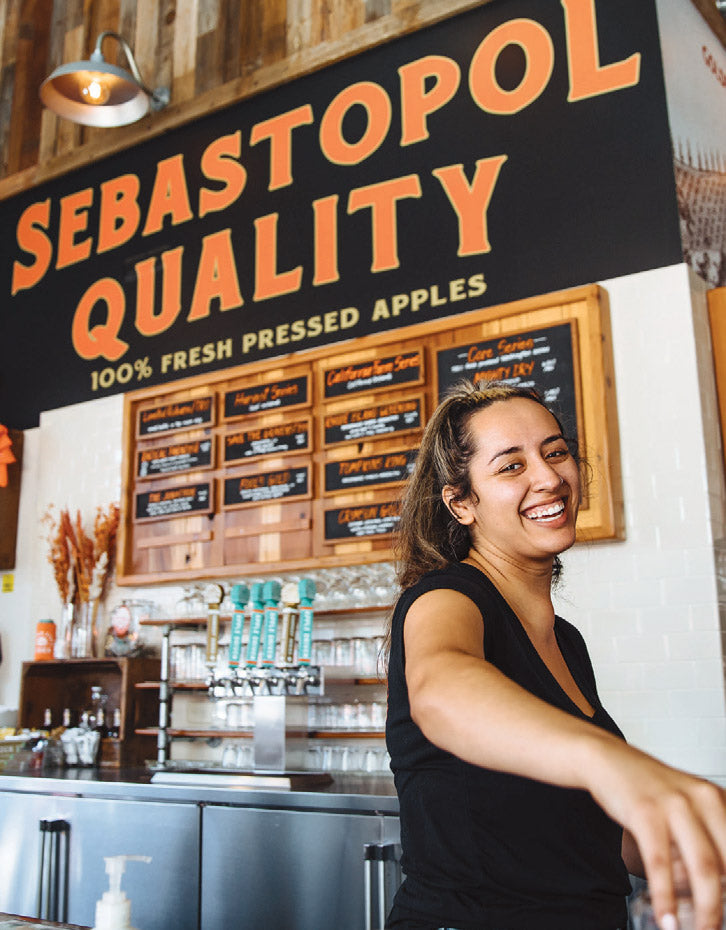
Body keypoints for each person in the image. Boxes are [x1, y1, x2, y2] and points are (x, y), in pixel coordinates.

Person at [384, 380, 726, 930]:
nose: (548, 478)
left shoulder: (566, 640)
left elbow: (591, 828)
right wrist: (614, 764)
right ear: (461, 502)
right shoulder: (445, 598)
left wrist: (694, 834)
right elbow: (441, 689)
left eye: (555, 451)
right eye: (511, 466)